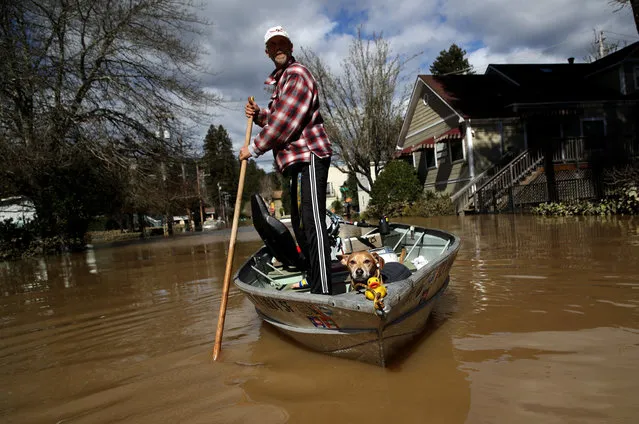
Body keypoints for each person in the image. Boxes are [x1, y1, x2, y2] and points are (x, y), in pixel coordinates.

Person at [239, 25, 333, 295]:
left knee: (312, 225)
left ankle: (324, 293)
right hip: (295, 163)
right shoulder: (281, 82)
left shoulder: (297, 74)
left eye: (283, 43)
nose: (278, 48)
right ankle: (315, 281)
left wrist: (254, 148)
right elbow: (276, 116)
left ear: (290, 47)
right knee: (301, 229)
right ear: (267, 51)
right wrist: (258, 115)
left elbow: (285, 123)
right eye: (273, 45)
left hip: (310, 155)